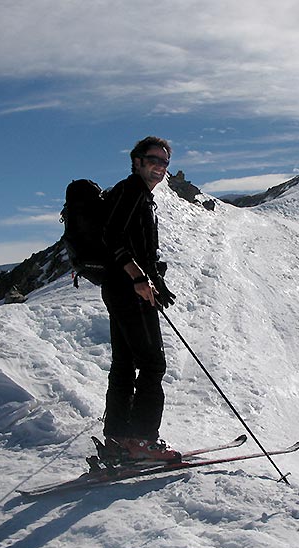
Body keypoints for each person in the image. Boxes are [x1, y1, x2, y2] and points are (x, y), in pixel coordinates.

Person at [99, 136, 180, 462]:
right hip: (129, 291)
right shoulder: (132, 191)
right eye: (153, 159)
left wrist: (155, 281)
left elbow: (134, 244)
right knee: (152, 364)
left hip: (121, 289)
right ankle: (142, 442)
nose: (159, 167)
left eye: (164, 162)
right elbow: (112, 237)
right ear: (137, 161)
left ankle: (118, 438)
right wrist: (137, 277)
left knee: (124, 363)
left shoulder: (137, 195)